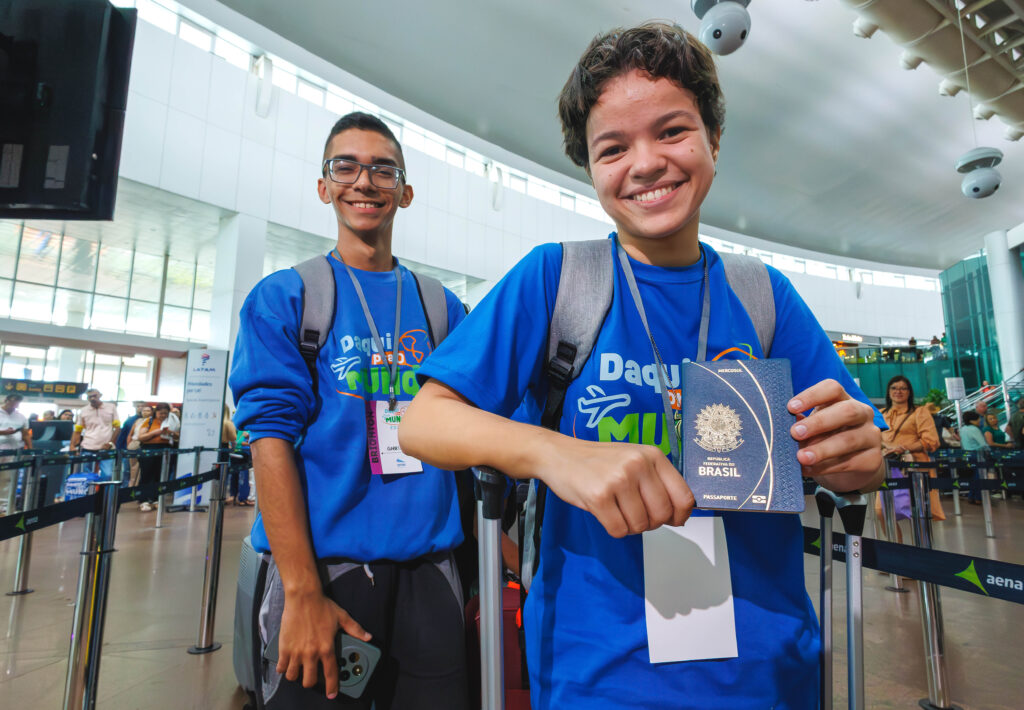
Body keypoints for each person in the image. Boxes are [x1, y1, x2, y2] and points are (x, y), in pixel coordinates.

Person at [399, 23, 883, 710]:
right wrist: (556, 454)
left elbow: (859, 459)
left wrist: (858, 454)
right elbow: (423, 421)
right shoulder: (558, 282)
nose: (647, 163)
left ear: (715, 139)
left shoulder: (763, 296)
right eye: (613, 148)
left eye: (673, 131)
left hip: (768, 672)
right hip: (598, 675)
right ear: (590, 168)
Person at [230, 111, 470, 709]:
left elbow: (476, 429)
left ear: (404, 192)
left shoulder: (442, 308)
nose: (365, 181)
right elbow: (269, 441)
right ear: (324, 186)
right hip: (324, 575)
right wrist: (301, 591)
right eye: (347, 167)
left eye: (383, 170)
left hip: (430, 575)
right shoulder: (288, 298)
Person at [877, 376, 942, 541]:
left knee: (918, 512)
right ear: (888, 391)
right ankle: (897, 549)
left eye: (903, 388)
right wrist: (885, 447)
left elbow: (931, 441)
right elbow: (874, 438)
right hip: (887, 467)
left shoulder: (920, 412)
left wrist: (904, 448)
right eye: (894, 388)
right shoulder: (881, 413)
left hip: (914, 468)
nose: (898, 391)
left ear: (909, 392)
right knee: (881, 510)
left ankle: (921, 550)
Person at [135, 403, 178, 512]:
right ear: (156, 412)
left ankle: (156, 499)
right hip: (149, 450)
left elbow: (179, 436)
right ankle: (143, 499)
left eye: (165, 413)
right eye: (160, 413)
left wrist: (170, 433)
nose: (163, 415)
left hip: (165, 450)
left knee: (161, 475)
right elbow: (141, 437)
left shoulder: (172, 421)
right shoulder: (149, 421)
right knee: (146, 475)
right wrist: (156, 433)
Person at [71, 389, 120, 479]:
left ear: (100, 395)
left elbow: (117, 428)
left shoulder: (111, 407)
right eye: (90, 397)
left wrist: (110, 443)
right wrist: (72, 446)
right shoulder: (83, 410)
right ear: (87, 398)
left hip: (106, 448)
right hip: (87, 447)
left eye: (95, 396)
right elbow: (77, 430)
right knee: (86, 476)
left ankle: (102, 489)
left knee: (107, 475)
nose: (92, 398)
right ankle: (90, 489)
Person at [0, 394, 33, 515]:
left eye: (17, 403)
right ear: (6, 400)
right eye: (13, 402)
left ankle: (4, 506)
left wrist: (30, 449)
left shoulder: (21, 417)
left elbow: (25, 434)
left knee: (8, 479)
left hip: (13, 451)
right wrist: (3, 432)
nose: (15, 405)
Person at [960, 411, 990, 505]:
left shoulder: (962, 429)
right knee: (980, 476)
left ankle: (971, 496)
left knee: (975, 476)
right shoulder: (974, 429)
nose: (979, 421)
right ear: (972, 420)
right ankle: (978, 497)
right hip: (977, 455)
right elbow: (983, 444)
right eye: (978, 419)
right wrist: (989, 451)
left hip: (967, 454)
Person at [116, 401, 146, 483]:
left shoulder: (150, 421)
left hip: (142, 450)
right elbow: (122, 435)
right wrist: (119, 449)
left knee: (139, 472)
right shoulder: (130, 421)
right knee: (127, 471)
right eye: (138, 406)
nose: (140, 408)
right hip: (128, 449)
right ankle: (125, 487)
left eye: (142, 406)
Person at [127, 405, 153, 487]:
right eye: (144, 410)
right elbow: (130, 433)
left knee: (139, 467)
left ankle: (135, 485)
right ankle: (131, 484)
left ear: (152, 412)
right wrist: (129, 443)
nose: (145, 412)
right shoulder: (138, 420)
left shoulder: (152, 421)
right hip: (133, 444)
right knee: (132, 466)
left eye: (148, 410)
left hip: (142, 443)